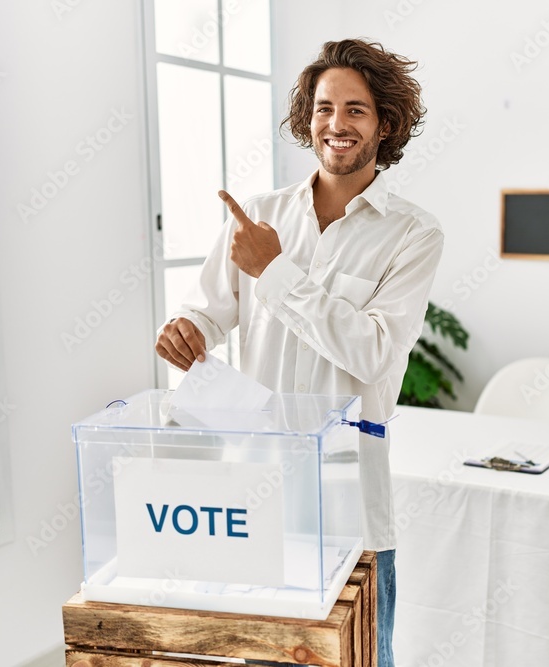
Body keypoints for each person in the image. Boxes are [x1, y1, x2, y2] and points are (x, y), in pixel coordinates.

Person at [155, 38, 443, 667]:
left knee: (358, 656)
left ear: (385, 123)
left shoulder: (413, 235)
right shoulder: (259, 217)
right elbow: (210, 307)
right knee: (255, 652)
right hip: (254, 489)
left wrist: (275, 270)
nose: (335, 124)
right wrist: (189, 327)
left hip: (350, 500)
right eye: (323, 108)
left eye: (355, 110)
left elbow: (371, 353)